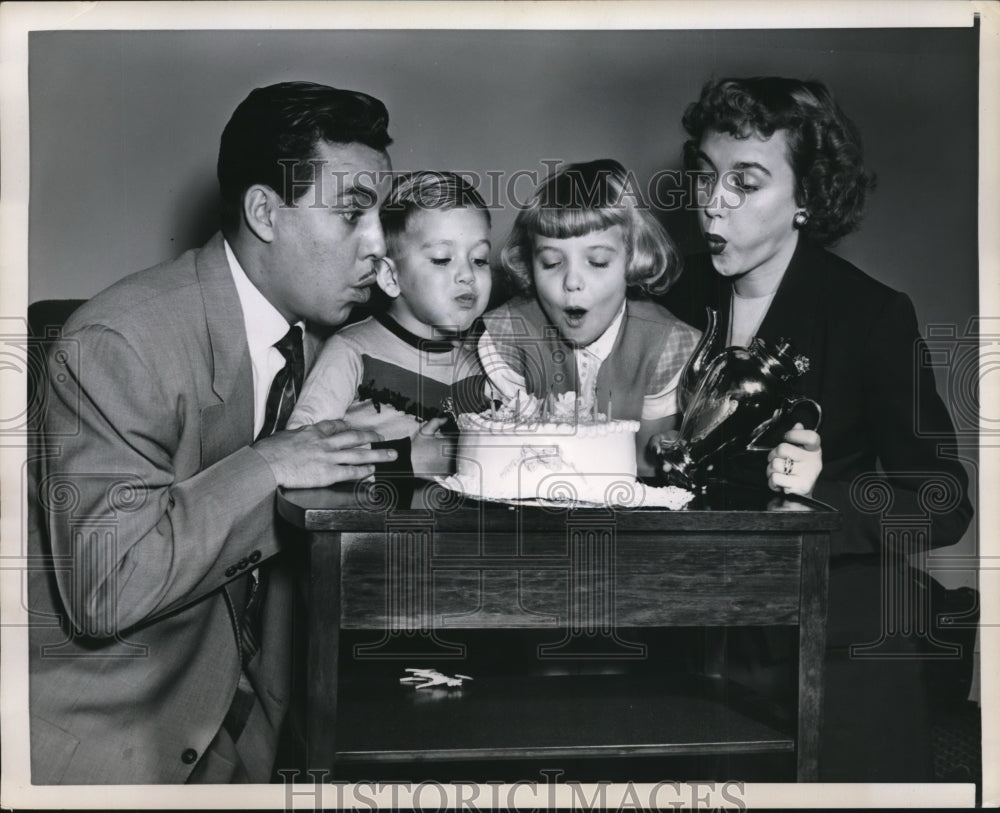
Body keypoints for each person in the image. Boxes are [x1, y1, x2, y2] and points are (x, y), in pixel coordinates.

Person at [28, 81, 399, 784]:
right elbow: (106, 588)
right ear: (264, 211)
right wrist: (270, 463)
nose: (381, 252)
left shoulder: (325, 346)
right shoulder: (121, 343)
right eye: (353, 214)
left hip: (246, 742)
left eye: (382, 216)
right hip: (101, 752)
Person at [660, 76, 975, 780]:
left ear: (806, 197)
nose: (713, 204)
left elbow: (944, 501)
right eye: (706, 177)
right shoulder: (670, 296)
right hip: (691, 629)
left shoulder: (871, 316)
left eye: (746, 183)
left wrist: (826, 491)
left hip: (836, 643)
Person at [480, 158, 822, 491]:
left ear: (632, 259)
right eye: (551, 262)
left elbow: (647, 471)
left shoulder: (668, 345)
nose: (572, 281)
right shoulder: (506, 335)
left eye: (597, 262)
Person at [288, 171, 493, 479]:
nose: (468, 275)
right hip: (365, 525)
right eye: (441, 259)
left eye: (479, 259)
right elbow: (298, 456)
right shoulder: (352, 352)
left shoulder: (488, 365)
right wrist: (403, 462)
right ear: (390, 277)